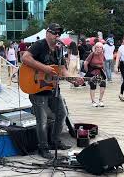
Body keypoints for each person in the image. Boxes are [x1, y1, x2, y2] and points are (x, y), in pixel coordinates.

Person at [21, 23, 82, 159]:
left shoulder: (59, 49)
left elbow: (63, 70)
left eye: (59, 34)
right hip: (37, 89)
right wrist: (44, 68)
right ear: (47, 33)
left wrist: (74, 79)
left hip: (53, 89)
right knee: (41, 121)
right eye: (54, 33)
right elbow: (25, 58)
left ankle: (55, 141)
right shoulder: (39, 45)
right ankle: (43, 147)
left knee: (62, 114)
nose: (57, 36)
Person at [84, 42, 106, 107]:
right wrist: (88, 71)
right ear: (95, 48)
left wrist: (103, 70)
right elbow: (85, 63)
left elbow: (103, 63)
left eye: (100, 47)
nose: (99, 48)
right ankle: (93, 101)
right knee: (93, 86)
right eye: (97, 47)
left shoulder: (102, 54)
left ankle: (100, 100)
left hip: (100, 72)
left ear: (102, 48)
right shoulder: (92, 54)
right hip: (92, 72)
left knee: (103, 85)